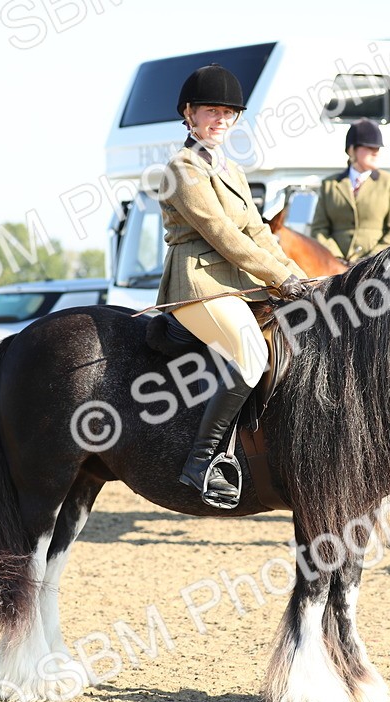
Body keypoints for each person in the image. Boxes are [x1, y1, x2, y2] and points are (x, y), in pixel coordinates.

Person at [158, 63, 309, 510]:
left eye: (228, 112)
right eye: (211, 111)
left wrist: (298, 275)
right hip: (198, 282)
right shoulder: (181, 168)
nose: (220, 119)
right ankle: (202, 463)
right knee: (252, 352)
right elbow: (222, 233)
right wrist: (280, 279)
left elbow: (259, 233)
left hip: (240, 284)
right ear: (189, 114)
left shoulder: (232, 169)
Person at [309, 118, 390, 264]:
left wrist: (371, 259)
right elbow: (319, 229)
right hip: (335, 267)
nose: (375, 152)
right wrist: (336, 256)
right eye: (369, 147)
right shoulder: (329, 185)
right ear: (351, 150)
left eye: (378, 148)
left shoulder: (389, 183)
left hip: (376, 266)